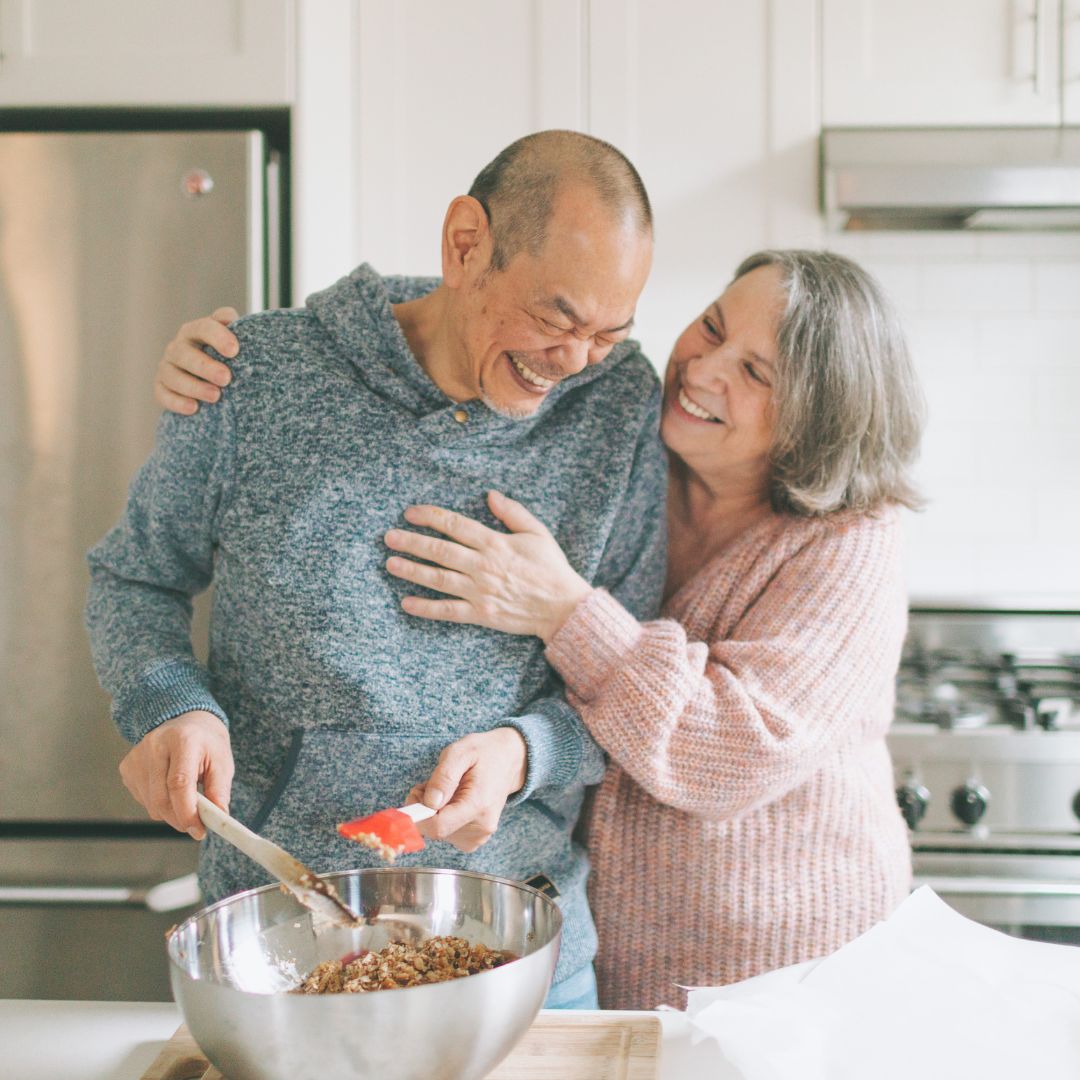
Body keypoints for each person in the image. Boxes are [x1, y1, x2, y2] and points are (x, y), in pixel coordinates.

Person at [158, 247, 925, 1011]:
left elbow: (732, 751)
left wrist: (563, 611)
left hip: (789, 974)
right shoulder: (638, 446)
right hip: (611, 952)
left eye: (756, 372)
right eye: (713, 326)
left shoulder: (850, 541)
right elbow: (486, 319)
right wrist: (259, 353)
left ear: (819, 421)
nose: (703, 368)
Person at [84, 130, 666, 1011]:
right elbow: (135, 578)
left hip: (522, 958)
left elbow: (630, 675)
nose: (574, 362)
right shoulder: (259, 376)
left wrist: (523, 752)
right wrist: (172, 705)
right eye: (556, 319)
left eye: (608, 333)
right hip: (280, 947)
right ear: (466, 243)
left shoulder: (617, 407)